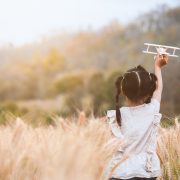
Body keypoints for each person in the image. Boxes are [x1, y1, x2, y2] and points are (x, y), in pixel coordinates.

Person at [104, 52, 168, 180]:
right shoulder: (152, 109)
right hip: (147, 170)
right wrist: (158, 66)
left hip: (119, 172)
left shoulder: (116, 116)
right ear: (148, 92)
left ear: (123, 91)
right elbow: (158, 89)